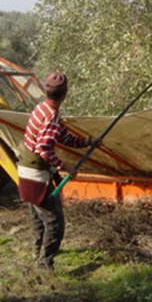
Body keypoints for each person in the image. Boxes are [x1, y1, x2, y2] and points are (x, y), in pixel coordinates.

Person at [16, 72, 101, 270]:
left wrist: (88, 141)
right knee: (55, 221)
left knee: (38, 215)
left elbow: (64, 137)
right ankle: (44, 263)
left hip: (26, 171)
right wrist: (66, 168)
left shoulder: (42, 108)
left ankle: (37, 251)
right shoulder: (51, 116)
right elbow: (43, 148)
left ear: (47, 91)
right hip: (36, 175)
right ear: (65, 94)